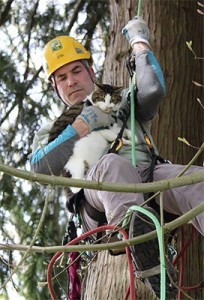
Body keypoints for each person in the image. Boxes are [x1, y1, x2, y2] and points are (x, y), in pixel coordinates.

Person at [30, 16, 204, 298]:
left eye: (77, 71)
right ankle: (143, 252)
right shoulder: (50, 131)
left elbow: (152, 90)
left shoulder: (124, 100)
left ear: (92, 72)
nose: (72, 81)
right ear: (55, 87)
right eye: (62, 78)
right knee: (113, 165)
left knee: (194, 179)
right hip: (98, 199)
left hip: (150, 181)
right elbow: (39, 167)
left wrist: (140, 45)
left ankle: (145, 241)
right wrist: (79, 127)